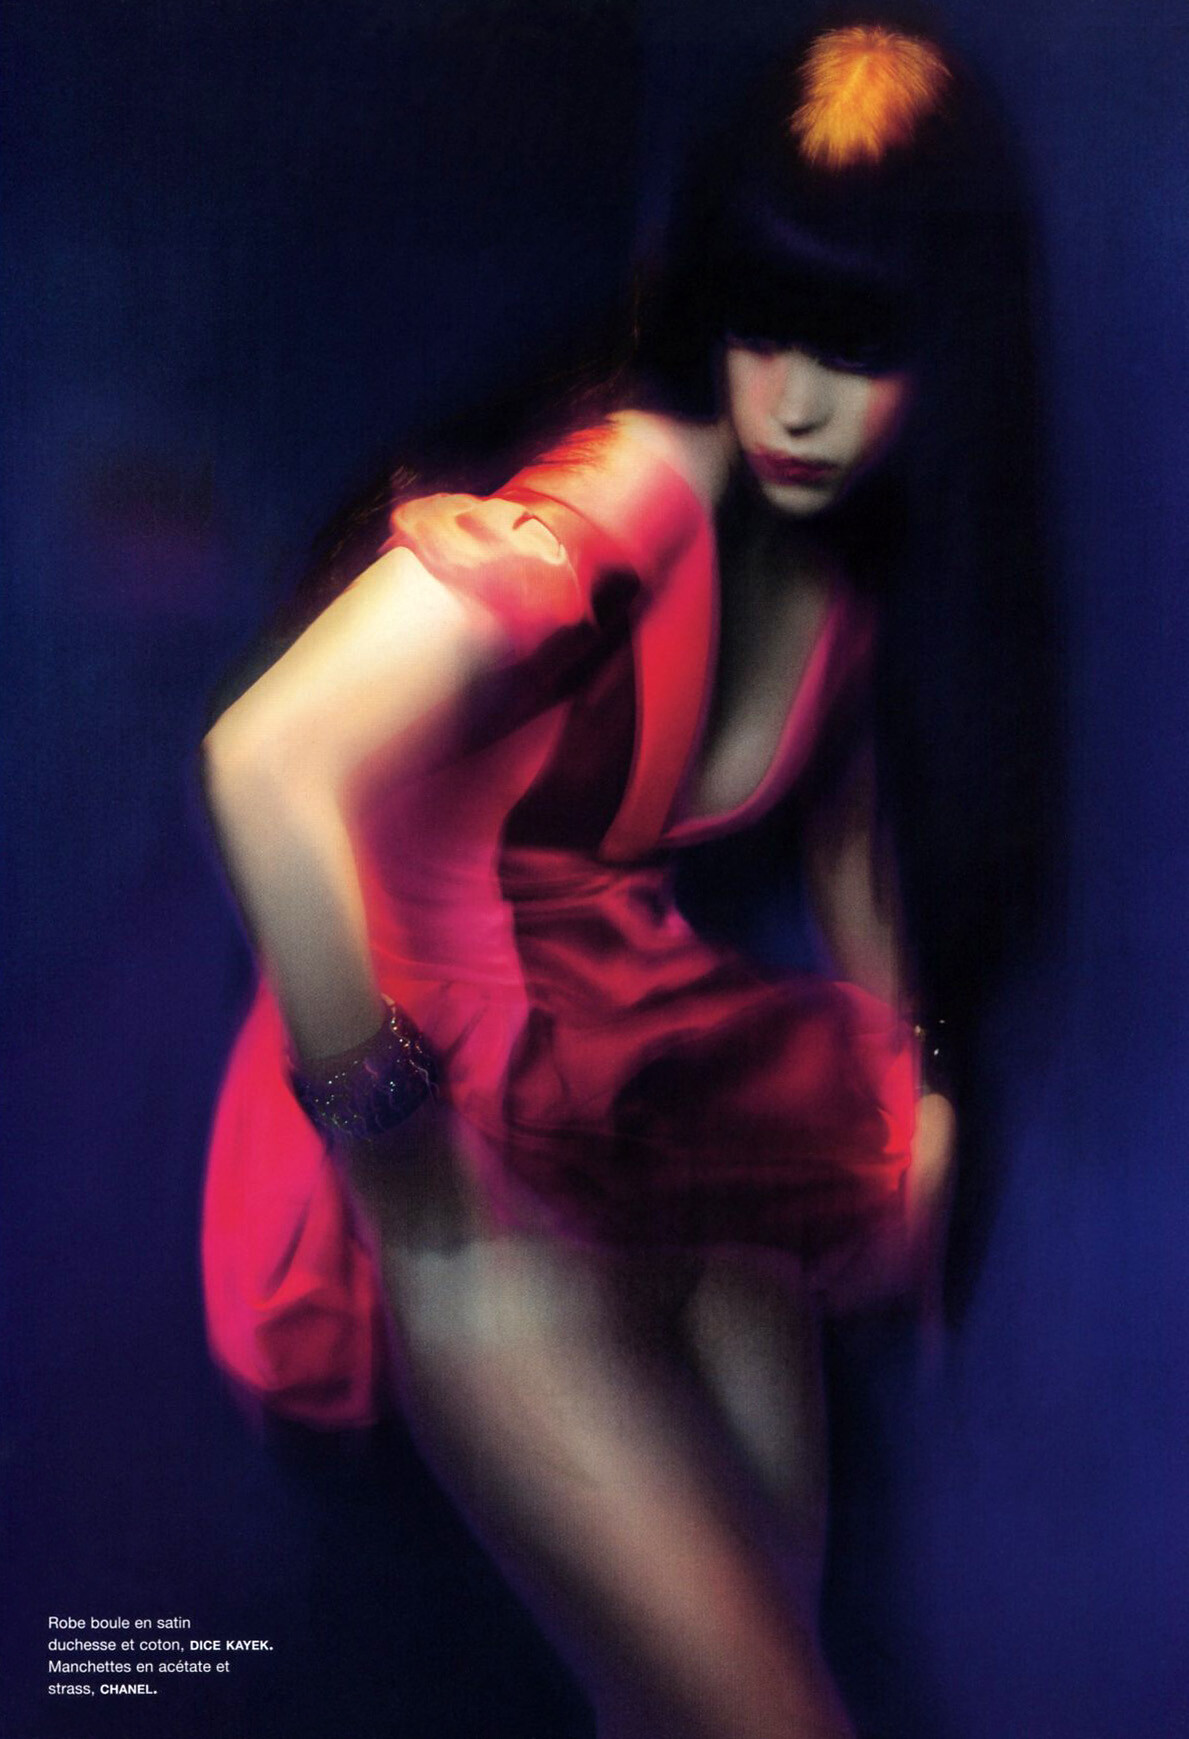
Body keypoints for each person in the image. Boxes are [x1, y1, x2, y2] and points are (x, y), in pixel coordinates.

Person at [201, 12, 1052, 1735]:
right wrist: (384, 1128)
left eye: (860, 349)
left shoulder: (853, 569)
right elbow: (264, 760)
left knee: (717, 1692)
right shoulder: (632, 497)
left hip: (660, 1095)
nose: (796, 401)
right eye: (764, 328)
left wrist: (922, 1097)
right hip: (463, 1130)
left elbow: (852, 845)